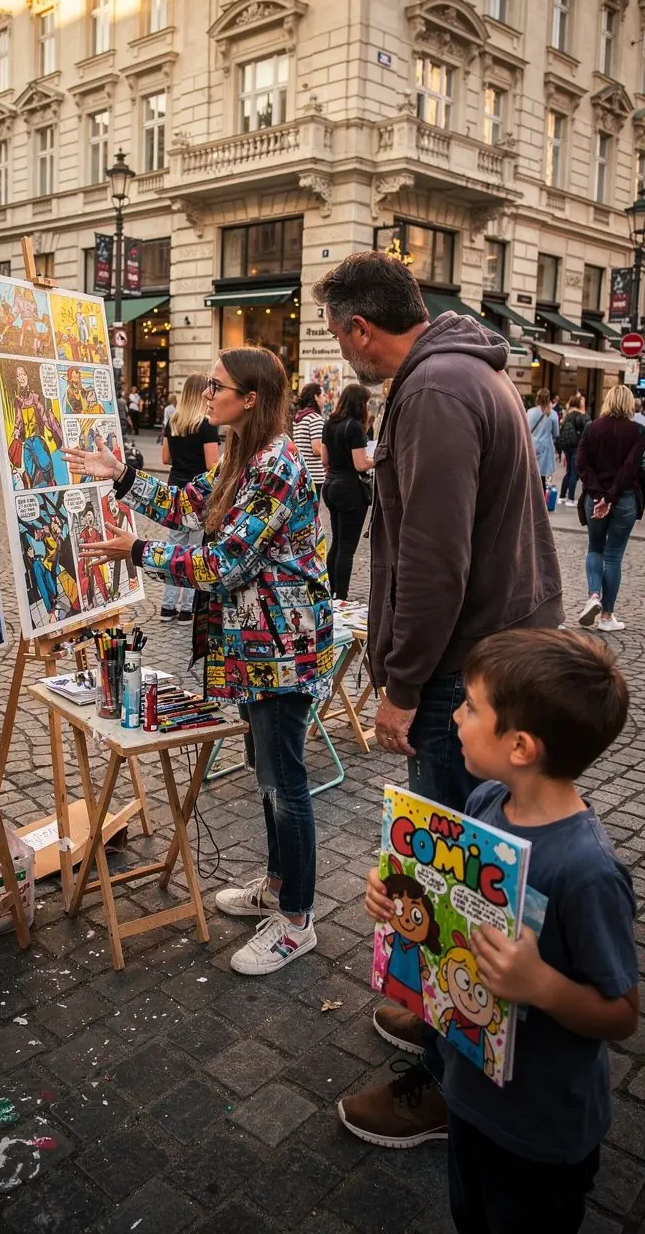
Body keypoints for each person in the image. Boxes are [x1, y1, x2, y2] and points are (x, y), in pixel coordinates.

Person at [312, 251, 562, 1145]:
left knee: (454, 876)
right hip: (487, 654)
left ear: (358, 329)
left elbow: (432, 559)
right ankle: (439, 1015)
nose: (344, 357)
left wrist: (403, 686)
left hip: (465, 670)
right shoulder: (462, 374)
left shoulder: (435, 391)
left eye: (340, 340)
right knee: (457, 864)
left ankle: (446, 1085)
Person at [348, 629, 637, 1233]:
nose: (454, 713)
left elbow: (621, 1015)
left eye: (471, 705)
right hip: (470, 1093)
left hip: (540, 1128)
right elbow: (448, 916)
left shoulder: (587, 871)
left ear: (522, 747)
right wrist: (396, 900)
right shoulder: (484, 802)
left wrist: (543, 985)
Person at [65, 347, 334, 977]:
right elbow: (195, 507)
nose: (206, 396)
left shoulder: (276, 468)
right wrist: (125, 479)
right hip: (256, 645)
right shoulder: (245, 457)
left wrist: (137, 551)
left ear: (251, 398)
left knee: (285, 781)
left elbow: (223, 564)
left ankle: (297, 920)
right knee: (267, 773)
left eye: (217, 387)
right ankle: (276, 885)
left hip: (281, 648)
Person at [576, 384, 645, 634]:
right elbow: (630, 468)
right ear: (629, 403)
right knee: (614, 555)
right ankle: (606, 616)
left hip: (595, 499)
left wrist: (599, 497)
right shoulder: (638, 431)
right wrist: (612, 497)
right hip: (625, 500)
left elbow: (581, 464)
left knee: (595, 548)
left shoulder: (591, 427)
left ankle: (593, 595)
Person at [159, 373, 219, 624]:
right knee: (194, 550)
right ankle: (187, 608)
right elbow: (212, 465)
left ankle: (167, 606)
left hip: (174, 490)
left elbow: (164, 459)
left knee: (174, 548)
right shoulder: (206, 424)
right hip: (197, 493)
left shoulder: (174, 421)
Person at [321, 382, 375, 599]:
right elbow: (360, 464)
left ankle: (331, 591)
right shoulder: (354, 427)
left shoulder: (330, 423)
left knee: (336, 541)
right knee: (347, 547)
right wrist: (377, 458)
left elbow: (324, 459)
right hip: (350, 489)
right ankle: (341, 596)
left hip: (331, 485)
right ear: (359, 403)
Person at [292, 382, 326, 504]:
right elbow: (316, 449)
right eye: (322, 395)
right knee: (313, 512)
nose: (324, 399)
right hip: (315, 476)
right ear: (316, 397)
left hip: (301, 473)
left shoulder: (299, 417)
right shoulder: (315, 419)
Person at [556, 394, 589, 507]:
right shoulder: (581, 415)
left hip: (567, 446)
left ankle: (561, 496)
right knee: (574, 474)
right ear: (579, 403)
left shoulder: (567, 415)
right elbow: (587, 430)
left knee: (568, 472)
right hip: (577, 447)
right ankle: (570, 498)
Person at [527, 388, 558, 494]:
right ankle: (541, 504)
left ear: (537, 398)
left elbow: (526, 430)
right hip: (545, 448)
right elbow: (556, 433)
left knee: (531, 476)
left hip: (532, 447)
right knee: (542, 479)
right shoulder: (553, 414)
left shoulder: (530, 412)